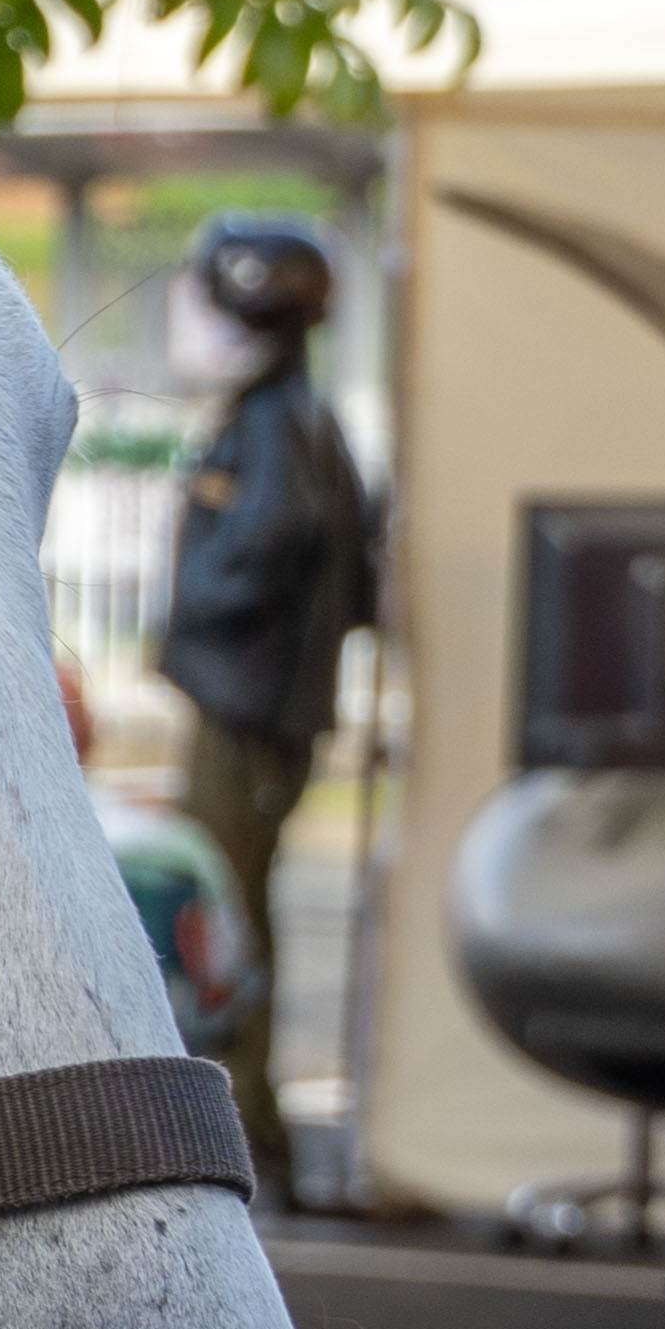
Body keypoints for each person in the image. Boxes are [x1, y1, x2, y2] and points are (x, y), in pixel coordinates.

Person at [150, 214, 380, 1187]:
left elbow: (262, 554)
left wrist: (193, 613)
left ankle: (239, 1125)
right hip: (260, 709)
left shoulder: (277, 428)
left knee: (223, 914)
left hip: (247, 717)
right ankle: (253, 1121)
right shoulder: (294, 418)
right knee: (237, 909)